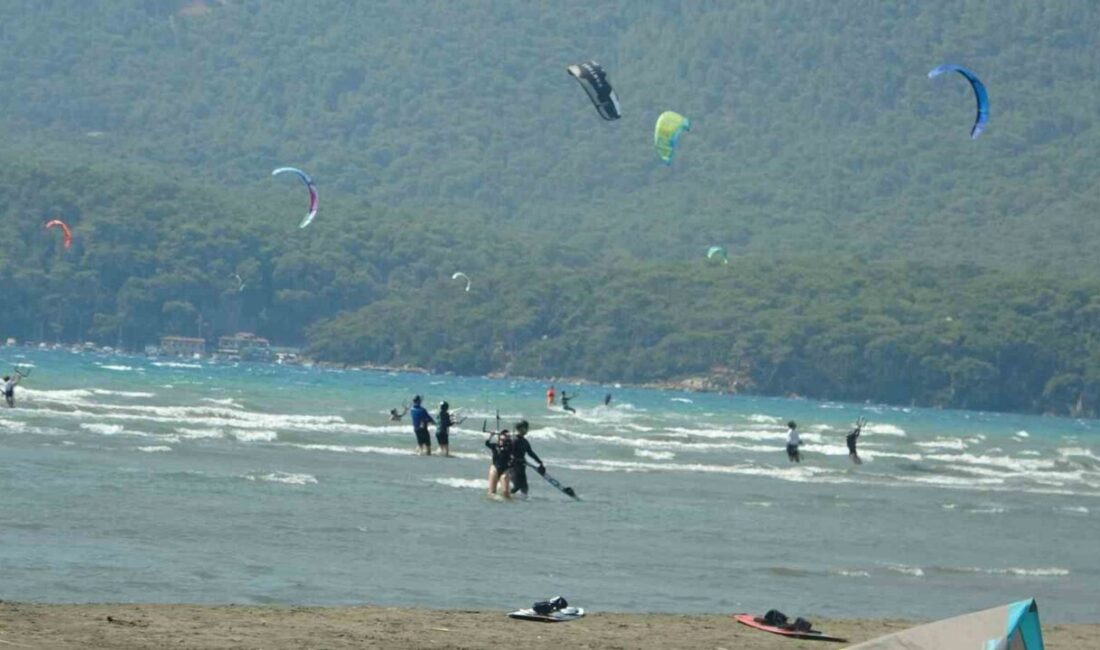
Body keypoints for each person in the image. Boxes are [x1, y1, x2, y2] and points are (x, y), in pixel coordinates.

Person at [509, 420, 545, 498]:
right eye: (526, 428)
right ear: (520, 428)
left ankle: (522, 504)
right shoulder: (514, 440)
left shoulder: (525, 441)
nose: (527, 430)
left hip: (522, 467)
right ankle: (505, 498)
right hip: (513, 467)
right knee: (517, 486)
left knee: (525, 488)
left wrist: (540, 462)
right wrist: (515, 460)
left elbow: (530, 453)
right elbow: (509, 453)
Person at [485, 428, 514, 499]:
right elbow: (487, 443)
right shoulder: (495, 446)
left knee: (506, 493)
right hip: (495, 468)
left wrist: (510, 437)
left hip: (505, 469)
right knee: (491, 492)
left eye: (504, 440)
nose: (502, 441)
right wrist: (491, 435)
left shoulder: (509, 447)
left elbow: (514, 445)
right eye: (501, 439)